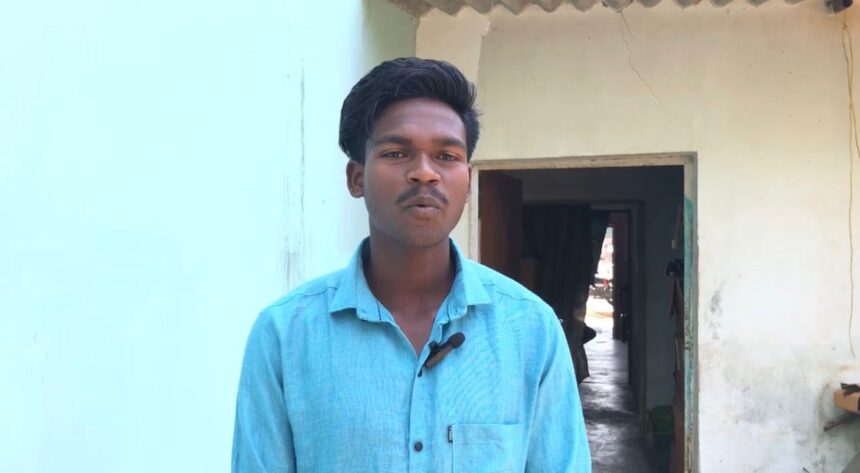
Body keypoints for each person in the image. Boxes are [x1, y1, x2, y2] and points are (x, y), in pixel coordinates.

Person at [231, 57, 591, 472]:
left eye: (446, 155)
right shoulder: (284, 336)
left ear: (467, 182)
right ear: (356, 178)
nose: (424, 173)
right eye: (397, 152)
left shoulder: (530, 329)